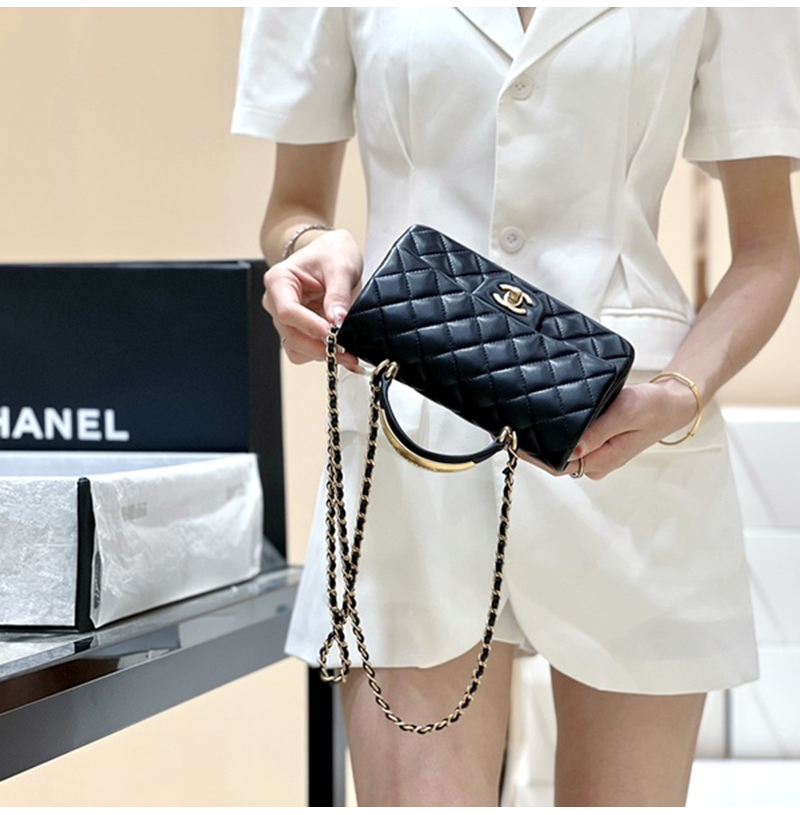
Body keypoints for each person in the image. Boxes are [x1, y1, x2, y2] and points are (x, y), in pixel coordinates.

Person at [233, 8, 800, 807]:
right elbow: (293, 207)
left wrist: (681, 392)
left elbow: (769, 248)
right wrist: (307, 250)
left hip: (625, 443)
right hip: (411, 436)